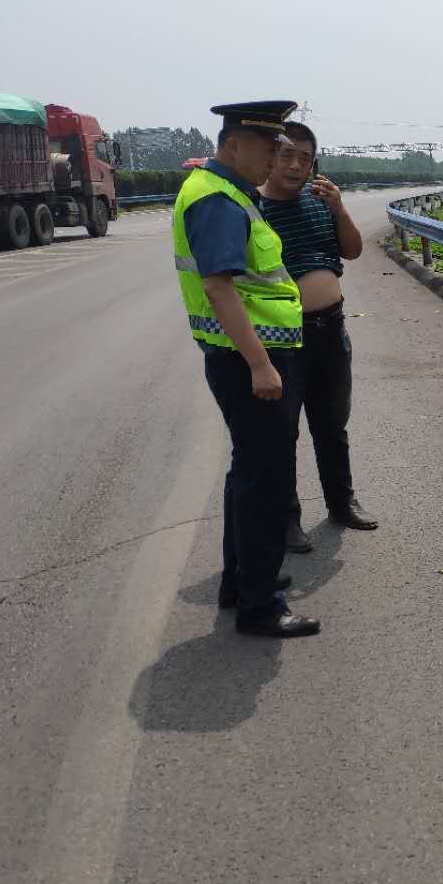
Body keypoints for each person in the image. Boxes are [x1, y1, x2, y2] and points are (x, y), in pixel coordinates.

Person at [172, 100, 320, 638]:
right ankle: (261, 605)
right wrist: (261, 364)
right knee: (265, 482)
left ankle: (242, 581)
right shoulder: (216, 199)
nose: (275, 160)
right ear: (233, 145)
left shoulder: (229, 194)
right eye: (267, 149)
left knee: (248, 474)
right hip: (247, 360)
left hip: (243, 357)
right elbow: (219, 286)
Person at [258, 120, 379, 546]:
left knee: (332, 424)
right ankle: (287, 519)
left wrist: (339, 208)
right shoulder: (253, 210)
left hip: (332, 329)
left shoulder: (319, 202)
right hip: (282, 339)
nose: (296, 166)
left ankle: (341, 503)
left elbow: (353, 250)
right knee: (282, 431)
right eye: (287, 156)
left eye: (305, 159)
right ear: (270, 158)